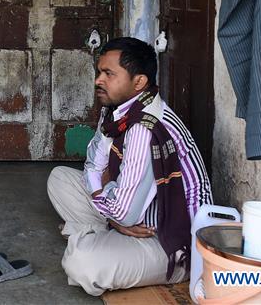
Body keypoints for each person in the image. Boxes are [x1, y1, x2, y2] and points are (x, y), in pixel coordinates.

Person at [47, 37, 212, 296]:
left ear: (139, 82)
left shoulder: (144, 128)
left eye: (109, 74)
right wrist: (115, 213)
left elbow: (125, 213)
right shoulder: (117, 110)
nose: (98, 80)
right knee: (59, 179)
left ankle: (95, 237)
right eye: (99, 72)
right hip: (132, 214)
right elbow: (92, 165)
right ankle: (105, 235)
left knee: (82, 263)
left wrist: (115, 212)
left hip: (169, 241)